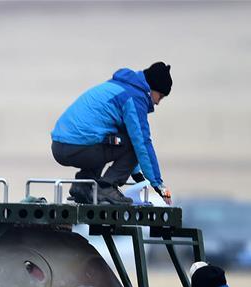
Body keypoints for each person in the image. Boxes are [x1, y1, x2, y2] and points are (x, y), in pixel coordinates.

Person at [51, 62, 172, 205]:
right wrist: (159, 186)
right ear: (152, 89)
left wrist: (137, 175)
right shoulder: (134, 97)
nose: (158, 103)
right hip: (80, 146)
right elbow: (141, 143)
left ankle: (84, 185)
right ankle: (107, 187)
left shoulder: (119, 86)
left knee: (108, 139)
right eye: (161, 96)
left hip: (59, 146)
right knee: (127, 142)